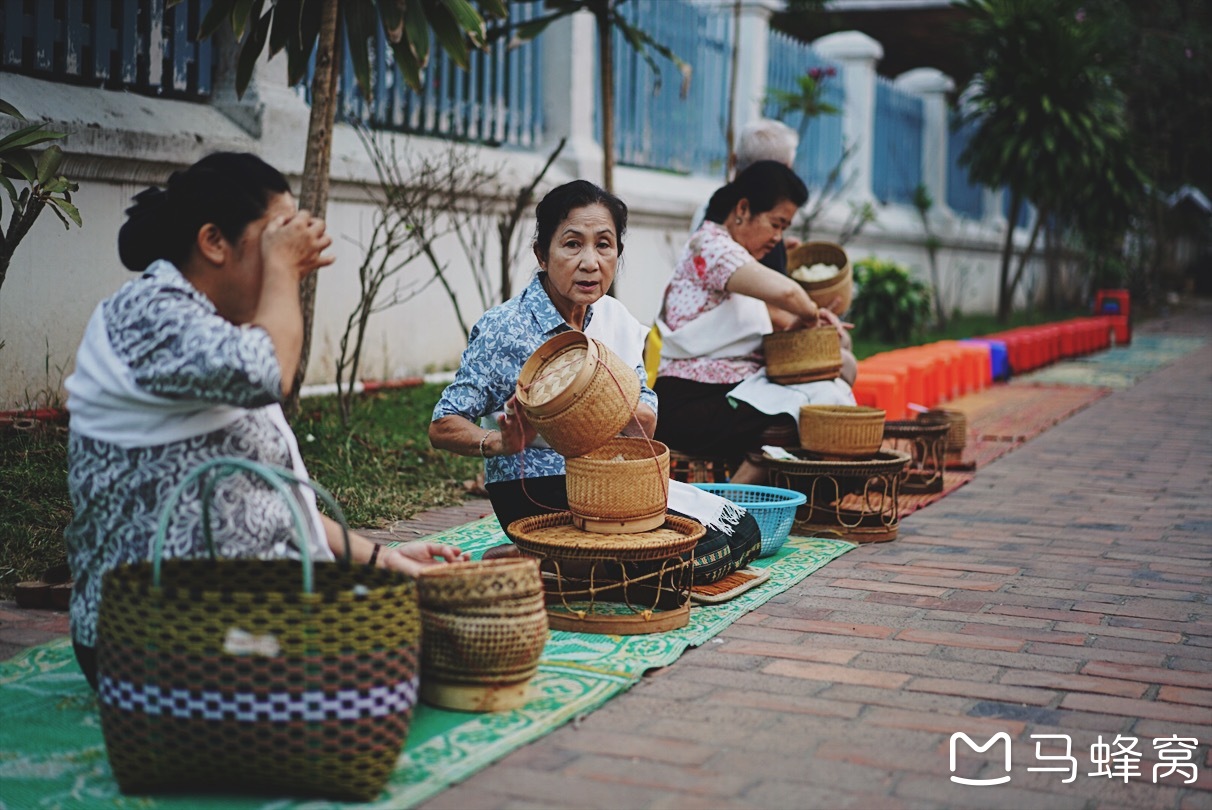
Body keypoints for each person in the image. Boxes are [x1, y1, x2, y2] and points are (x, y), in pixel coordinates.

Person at [63, 153, 466, 691]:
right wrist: (281, 270)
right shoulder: (150, 310)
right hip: (153, 636)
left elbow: (270, 500)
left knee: (429, 628)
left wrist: (387, 560)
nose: (292, 254)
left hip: (228, 617)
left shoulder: (213, 329)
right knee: (396, 655)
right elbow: (269, 373)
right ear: (213, 242)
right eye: (277, 235)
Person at [430, 180, 760, 584]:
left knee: (740, 532)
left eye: (604, 245)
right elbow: (442, 424)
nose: (590, 262)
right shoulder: (506, 328)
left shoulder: (613, 320)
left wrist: (606, 399)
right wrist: (498, 443)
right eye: (572, 244)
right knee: (677, 564)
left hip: (614, 483)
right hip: (540, 492)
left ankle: (551, 564)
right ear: (542, 254)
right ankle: (549, 555)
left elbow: (646, 426)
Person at [655, 161, 857, 485]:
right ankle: (732, 504)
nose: (778, 238)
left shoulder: (738, 257)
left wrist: (799, 328)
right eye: (776, 224)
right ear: (743, 208)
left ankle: (750, 494)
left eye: (784, 228)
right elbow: (789, 293)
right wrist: (810, 313)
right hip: (689, 402)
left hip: (725, 396)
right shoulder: (711, 245)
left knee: (826, 390)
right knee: (805, 407)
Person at [690, 119, 801, 275]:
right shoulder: (724, 238)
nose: (775, 236)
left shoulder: (711, 207)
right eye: (775, 224)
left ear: (734, 160)